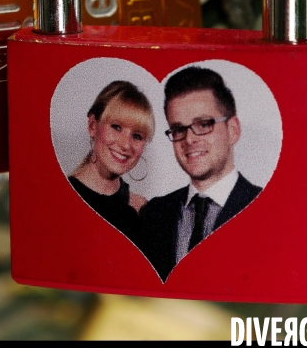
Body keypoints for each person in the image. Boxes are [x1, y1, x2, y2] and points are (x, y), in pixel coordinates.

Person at [139, 66, 262, 281]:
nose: (189, 139)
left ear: (233, 129)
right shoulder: (153, 214)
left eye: (203, 124)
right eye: (179, 129)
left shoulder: (265, 207)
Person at [69, 80, 154, 244]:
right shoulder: (61, 197)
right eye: (116, 127)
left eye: (137, 136)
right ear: (93, 126)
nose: (125, 144)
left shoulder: (142, 210)